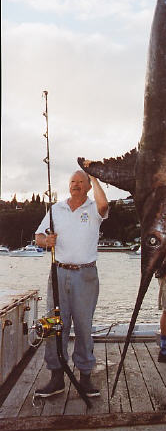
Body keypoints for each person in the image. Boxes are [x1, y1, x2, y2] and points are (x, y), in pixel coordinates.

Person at [34, 166, 108, 398]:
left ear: (87, 186)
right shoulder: (57, 208)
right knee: (56, 323)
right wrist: (47, 241)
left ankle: (85, 377)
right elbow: (38, 237)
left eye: (80, 182)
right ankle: (56, 377)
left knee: (84, 326)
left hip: (85, 274)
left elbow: (105, 206)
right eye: (72, 182)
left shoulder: (94, 207)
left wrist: (95, 176)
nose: (75, 185)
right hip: (58, 272)